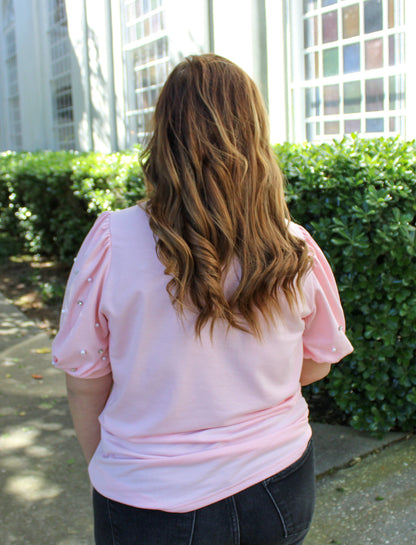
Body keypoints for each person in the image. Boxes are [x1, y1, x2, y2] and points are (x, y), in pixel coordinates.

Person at [51, 54, 353, 545]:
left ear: (164, 137)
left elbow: (85, 379)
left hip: (152, 500)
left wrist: (105, 468)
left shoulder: (114, 240)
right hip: (280, 484)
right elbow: (318, 362)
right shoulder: (293, 244)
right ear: (255, 135)